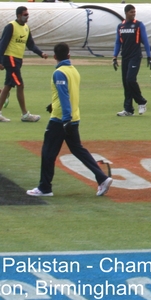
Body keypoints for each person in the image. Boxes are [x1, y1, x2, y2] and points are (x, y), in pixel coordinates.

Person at [26, 43, 113, 197]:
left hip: (60, 120)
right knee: (78, 150)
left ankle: (45, 188)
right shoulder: (74, 71)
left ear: (54, 57)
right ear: (69, 55)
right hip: (74, 117)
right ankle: (102, 178)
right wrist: (53, 105)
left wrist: (65, 118)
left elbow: (65, 94)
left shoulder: (59, 73)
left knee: (48, 153)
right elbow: (68, 94)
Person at [0, 6, 48, 123]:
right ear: (18, 15)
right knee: (20, 85)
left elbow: (31, 45)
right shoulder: (11, 26)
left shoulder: (26, 28)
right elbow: (2, 44)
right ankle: (25, 114)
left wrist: (40, 53)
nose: (27, 16)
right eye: (25, 14)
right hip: (10, 59)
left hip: (18, 60)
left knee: (7, 86)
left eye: (27, 14)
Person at [112, 4, 151, 116]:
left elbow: (145, 41)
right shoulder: (121, 26)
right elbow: (117, 42)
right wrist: (114, 57)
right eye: (131, 12)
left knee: (130, 79)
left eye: (134, 12)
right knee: (126, 83)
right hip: (125, 56)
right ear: (126, 13)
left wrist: (149, 57)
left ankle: (141, 101)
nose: (133, 14)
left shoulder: (139, 25)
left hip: (135, 56)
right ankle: (128, 109)